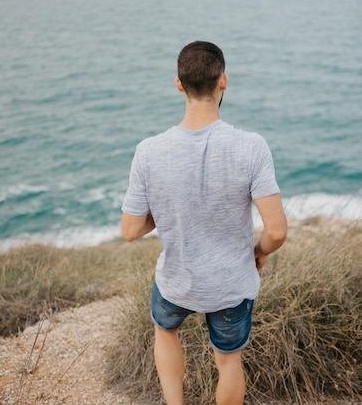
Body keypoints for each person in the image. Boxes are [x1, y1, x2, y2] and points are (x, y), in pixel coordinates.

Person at [121, 41, 287, 405]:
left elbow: (130, 230)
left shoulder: (149, 151)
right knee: (228, 361)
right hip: (232, 283)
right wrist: (258, 253)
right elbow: (276, 231)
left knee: (165, 333)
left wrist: (174, 209)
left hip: (177, 280)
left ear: (179, 84)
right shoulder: (251, 147)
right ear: (223, 81)